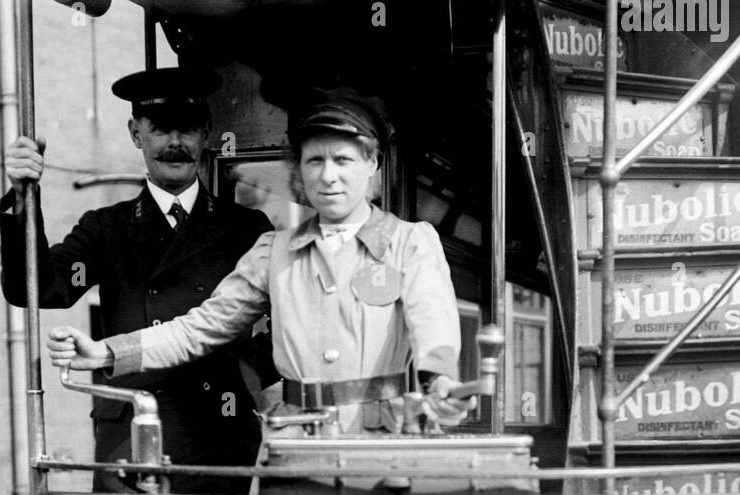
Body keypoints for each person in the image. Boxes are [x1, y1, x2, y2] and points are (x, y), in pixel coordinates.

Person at [46, 88, 476, 441]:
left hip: (383, 450)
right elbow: (199, 327)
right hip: (295, 452)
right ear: (299, 172)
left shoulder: (410, 243)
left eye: (344, 160)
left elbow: (433, 328)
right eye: (315, 161)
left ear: (372, 164)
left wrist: (439, 380)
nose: (329, 177)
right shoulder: (275, 252)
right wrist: (106, 350)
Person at [0, 66, 273, 492]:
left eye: (187, 130)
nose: (175, 144)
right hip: (131, 434)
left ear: (206, 132)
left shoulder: (246, 228)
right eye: (160, 129)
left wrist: (245, 373)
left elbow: (291, 324)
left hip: (218, 430)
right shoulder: (107, 228)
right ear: (135, 133)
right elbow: (35, 286)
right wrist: (22, 199)